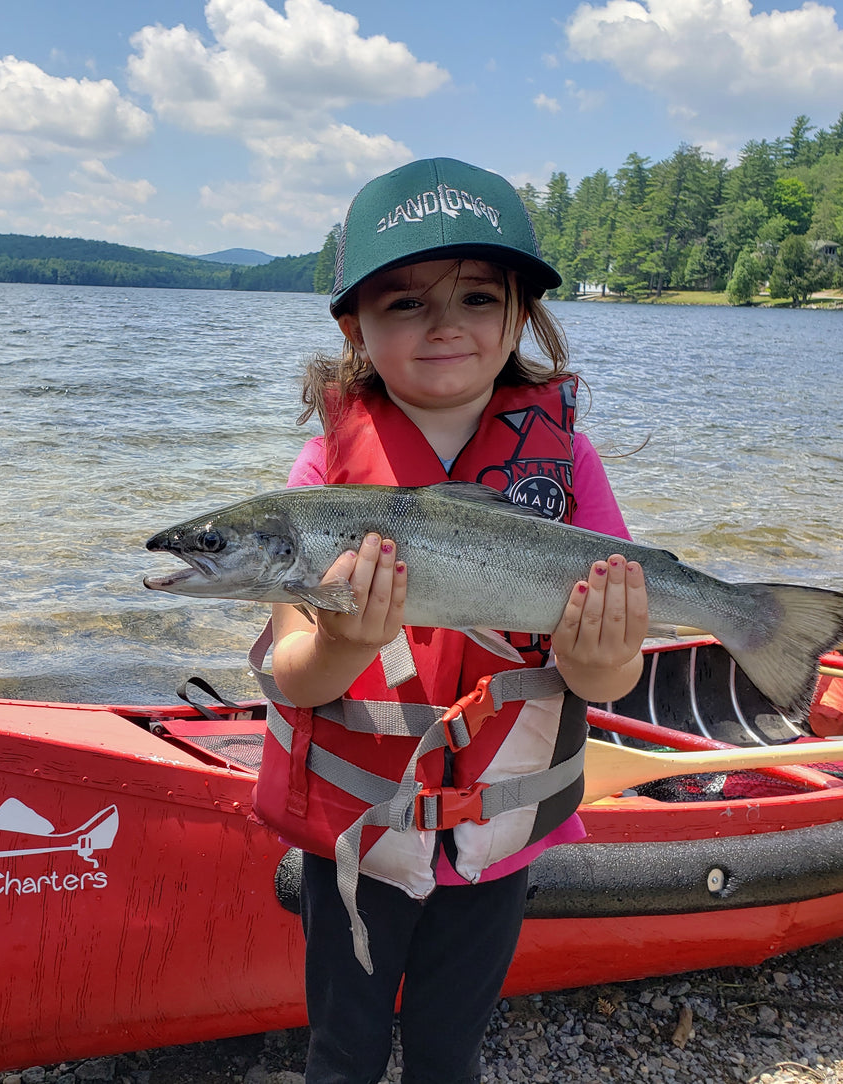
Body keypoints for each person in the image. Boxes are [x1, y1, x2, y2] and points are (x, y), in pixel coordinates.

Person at [249, 157, 649, 1084]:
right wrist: (346, 640)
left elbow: (606, 681)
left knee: (447, 1051)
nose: (444, 326)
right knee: (340, 1052)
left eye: (475, 297)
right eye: (403, 304)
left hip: (496, 836)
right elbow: (293, 676)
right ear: (353, 326)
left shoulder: (571, 467)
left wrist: (598, 661)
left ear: (521, 314)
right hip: (358, 833)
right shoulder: (316, 482)